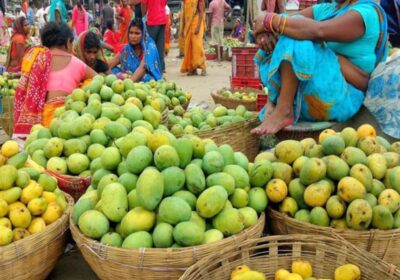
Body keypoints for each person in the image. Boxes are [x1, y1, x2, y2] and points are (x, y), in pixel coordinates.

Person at [251, 0, 388, 135]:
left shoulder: (365, 13)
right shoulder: (327, 10)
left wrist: (269, 21)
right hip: (320, 89)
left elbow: (318, 31)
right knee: (290, 27)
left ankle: (284, 108)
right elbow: (281, 23)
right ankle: (273, 101)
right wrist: (265, 32)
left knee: (297, 31)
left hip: (343, 98)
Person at [13, 22, 96, 139]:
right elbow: (99, 80)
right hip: (62, 127)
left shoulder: (34, 59)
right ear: (68, 42)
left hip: (35, 131)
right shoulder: (76, 63)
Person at [180, 0, 207, 76]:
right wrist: (183, 28)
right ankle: (192, 68)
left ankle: (203, 67)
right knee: (189, 46)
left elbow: (201, 12)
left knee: (197, 46)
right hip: (188, 26)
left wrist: (198, 27)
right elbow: (185, 13)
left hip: (197, 22)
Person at [141, 0, 167, 72]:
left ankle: (151, 66)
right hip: (162, 19)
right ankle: (161, 67)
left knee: (150, 45)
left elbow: (143, 5)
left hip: (153, 20)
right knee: (160, 45)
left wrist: (142, 16)